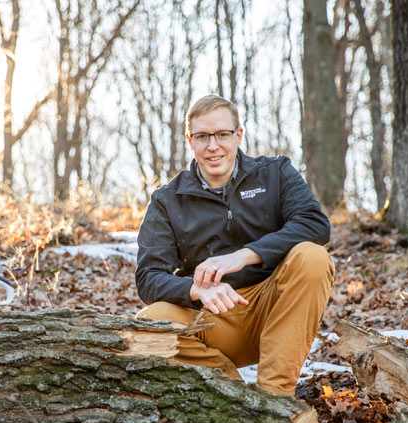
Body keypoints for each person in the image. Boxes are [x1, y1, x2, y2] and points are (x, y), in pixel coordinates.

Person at [135, 94, 334, 396]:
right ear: (191, 141)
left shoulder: (275, 173)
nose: (213, 146)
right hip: (212, 320)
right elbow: (148, 277)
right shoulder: (167, 200)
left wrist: (244, 256)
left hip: (274, 311)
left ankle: (275, 398)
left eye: (222, 135)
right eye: (202, 136)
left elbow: (314, 224)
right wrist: (196, 290)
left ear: (238, 135)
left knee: (313, 257)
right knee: (148, 321)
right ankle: (234, 396)